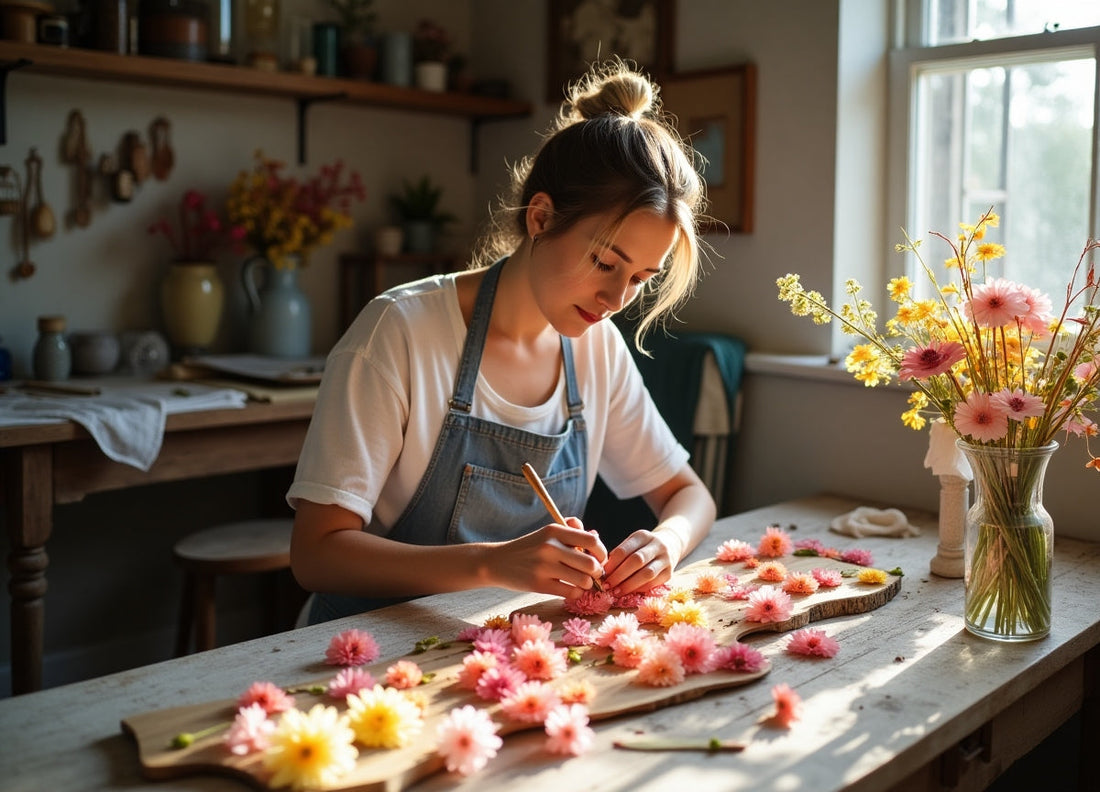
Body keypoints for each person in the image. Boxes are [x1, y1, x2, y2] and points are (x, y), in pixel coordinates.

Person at [288, 58, 717, 624]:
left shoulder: (596, 347)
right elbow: (316, 554)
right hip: (364, 653)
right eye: (604, 262)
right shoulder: (401, 330)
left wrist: (665, 545)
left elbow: (691, 498)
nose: (616, 299)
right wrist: (490, 564)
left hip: (505, 653)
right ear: (540, 218)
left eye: (640, 279)